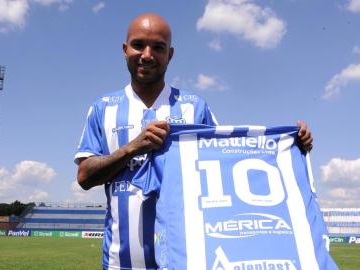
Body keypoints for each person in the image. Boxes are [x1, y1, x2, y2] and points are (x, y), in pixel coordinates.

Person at [74, 13, 313, 270]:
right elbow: (85, 177)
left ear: (170, 54)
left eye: (158, 47)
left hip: (185, 261)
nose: (147, 54)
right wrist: (133, 148)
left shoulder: (194, 108)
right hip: (121, 262)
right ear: (124, 49)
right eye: (138, 44)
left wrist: (289, 146)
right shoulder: (103, 108)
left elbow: (228, 163)